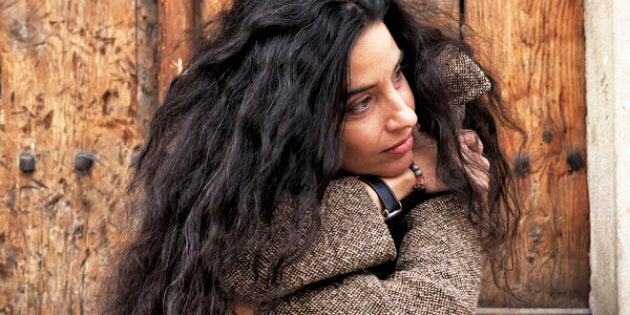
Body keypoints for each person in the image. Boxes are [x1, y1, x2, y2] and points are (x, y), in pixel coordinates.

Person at [102, 0, 521, 313]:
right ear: (291, 125)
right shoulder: (233, 212)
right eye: (360, 103)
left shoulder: (438, 135)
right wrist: (403, 182)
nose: (406, 115)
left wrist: (444, 144)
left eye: (398, 75)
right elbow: (240, 265)